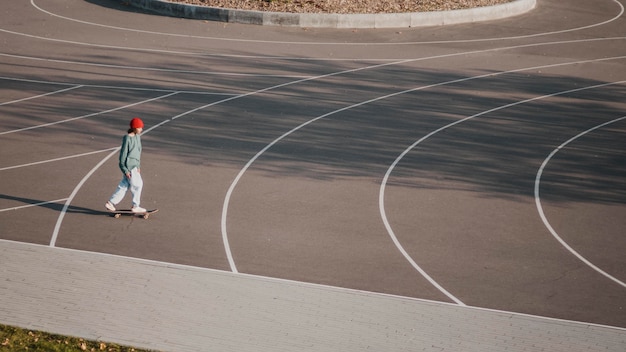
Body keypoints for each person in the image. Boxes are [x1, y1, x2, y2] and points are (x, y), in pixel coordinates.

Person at [105, 117, 146, 213]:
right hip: (129, 167)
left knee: (124, 186)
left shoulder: (138, 138)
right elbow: (123, 156)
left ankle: (111, 203)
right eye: (140, 128)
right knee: (138, 185)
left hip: (135, 166)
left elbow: (138, 152)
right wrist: (125, 170)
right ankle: (135, 205)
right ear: (135, 128)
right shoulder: (127, 139)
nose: (141, 129)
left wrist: (138, 166)